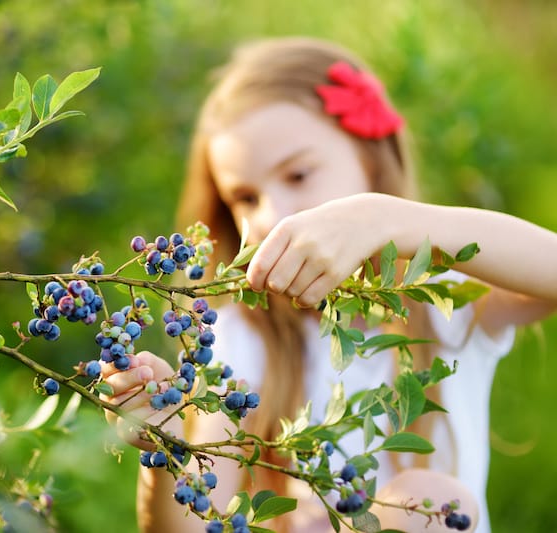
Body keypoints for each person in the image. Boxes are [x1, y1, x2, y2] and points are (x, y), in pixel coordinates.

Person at [101, 37, 557, 532]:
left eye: (298, 174)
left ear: (369, 158)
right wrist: (167, 446)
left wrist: (388, 220)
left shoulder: (446, 299)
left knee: (425, 501)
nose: (273, 214)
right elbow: (190, 525)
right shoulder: (246, 337)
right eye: (246, 198)